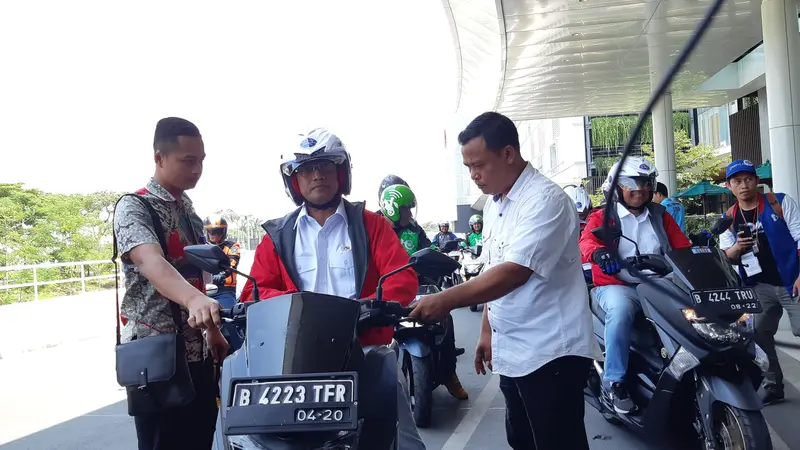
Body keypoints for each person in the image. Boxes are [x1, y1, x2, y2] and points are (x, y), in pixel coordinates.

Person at [410, 112, 601, 450]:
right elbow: (493, 271)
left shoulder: (545, 201)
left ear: (508, 154)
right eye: (468, 167)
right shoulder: (494, 207)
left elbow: (514, 272)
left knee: (557, 443)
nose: (474, 175)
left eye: (479, 165)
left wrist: (445, 300)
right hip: (514, 350)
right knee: (522, 440)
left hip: (551, 353)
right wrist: (487, 330)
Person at [239, 128, 427, 450]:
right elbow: (253, 293)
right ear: (294, 181)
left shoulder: (373, 225)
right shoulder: (277, 235)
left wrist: (368, 307)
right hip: (291, 358)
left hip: (363, 349)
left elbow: (402, 278)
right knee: (247, 431)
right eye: (307, 169)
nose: (317, 175)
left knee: (402, 433)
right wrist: (297, 308)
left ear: (341, 173)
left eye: (325, 166)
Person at [113, 117, 228, 450]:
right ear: (159, 158)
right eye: (188, 160)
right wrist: (194, 302)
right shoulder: (134, 206)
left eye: (201, 160)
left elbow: (195, 275)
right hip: (157, 357)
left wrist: (211, 330)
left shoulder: (189, 211)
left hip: (197, 352)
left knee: (200, 438)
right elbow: (152, 262)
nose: (197, 169)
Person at [579, 156, 690, 415]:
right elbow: (586, 243)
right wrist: (599, 254)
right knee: (620, 313)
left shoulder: (661, 216)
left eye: (645, 182)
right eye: (632, 183)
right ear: (617, 186)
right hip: (618, 286)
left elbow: (683, 248)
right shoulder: (602, 217)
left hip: (660, 285)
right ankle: (615, 382)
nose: (639, 189)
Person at [719, 159, 800, 405]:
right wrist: (738, 248)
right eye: (737, 181)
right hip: (758, 287)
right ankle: (774, 386)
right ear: (729, 186)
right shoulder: (729, 217)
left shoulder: (779, 202)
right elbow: (727, 256)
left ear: (756, 180)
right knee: (760, 337)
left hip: (791, 281)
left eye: (748, 179)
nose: (743, 185)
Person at [380, 183, 468, 400]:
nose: (409, 213)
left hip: (418, 284)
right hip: (385, 289)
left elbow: (429, 248)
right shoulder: (374, 227)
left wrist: (442, 259)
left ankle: (449, 374)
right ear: (392, 207)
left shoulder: (414, 228)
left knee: (444, 315)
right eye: (405, 209)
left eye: (410, 208)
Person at [203, 214, 241, 309]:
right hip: (202, 291)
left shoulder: (233, 247)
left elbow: (233, 263)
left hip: (225, 291)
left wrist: (223, 274)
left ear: (224, 232)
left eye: (219, 232)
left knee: (228, 317)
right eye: (212, 232)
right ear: (207, 232)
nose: (215, 235)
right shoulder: (200, 247)